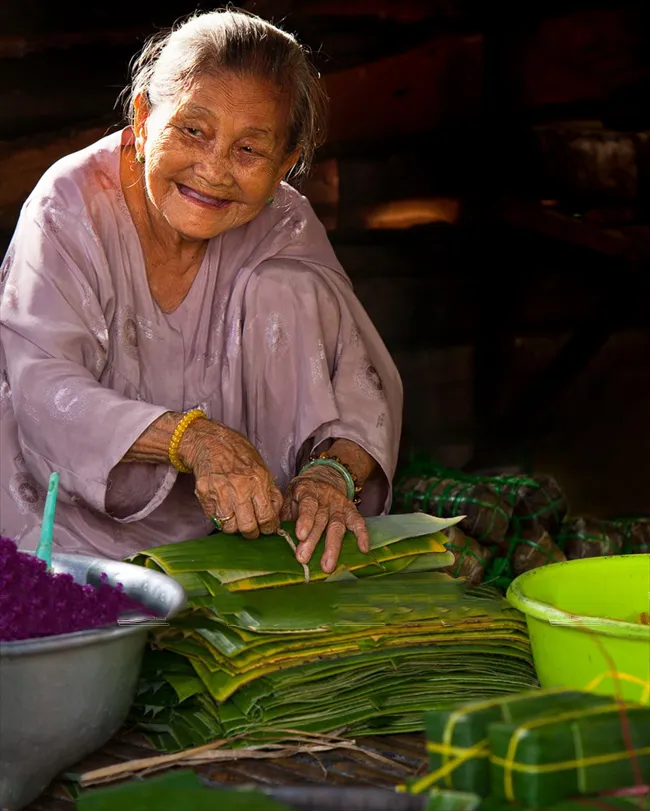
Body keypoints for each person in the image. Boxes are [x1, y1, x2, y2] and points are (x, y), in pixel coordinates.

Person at [0, 9, 402, 573]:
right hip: (70, 527)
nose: (213, 170)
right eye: (192, 130)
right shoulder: (69, 206)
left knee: (287, 288)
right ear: (142, 119)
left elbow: (358, 385)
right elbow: (43, 384)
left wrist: (331, 475)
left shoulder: (285, 223)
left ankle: (278, 546)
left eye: (249, 150)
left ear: (285, 163)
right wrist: (193, 439)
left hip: (246, 526)